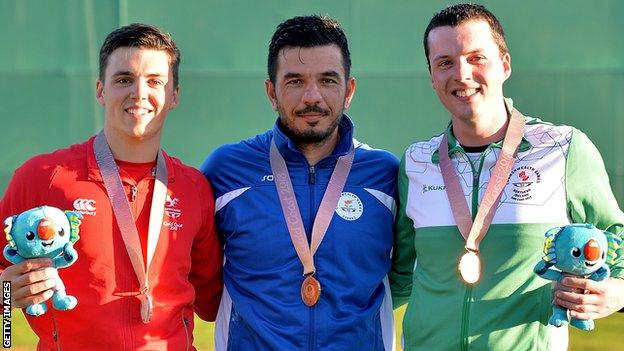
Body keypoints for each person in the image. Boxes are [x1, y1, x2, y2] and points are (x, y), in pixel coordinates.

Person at [389, 4, 624, 351]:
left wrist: (617, 292)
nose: (462, 74)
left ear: (505, 64)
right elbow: (399, 275)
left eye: (476, 58)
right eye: (445, 63)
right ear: (432, 76)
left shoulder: (563, 148)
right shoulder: (416, 162)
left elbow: (618, 236)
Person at [0, 23, 223, 350]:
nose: (139, 93)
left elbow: (212, 302)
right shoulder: (44, 176)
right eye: (123, 79)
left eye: (155, 82)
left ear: (173, 95)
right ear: (101, 90)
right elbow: (4, 299)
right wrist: (6, 299)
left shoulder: (193, 189)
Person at [201, 15, 398, 351]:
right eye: (294, 82)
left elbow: (404, 276)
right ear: (271, 92)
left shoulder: (385, 174)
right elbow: (198, 275)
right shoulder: (226, 170)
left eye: (328, 80)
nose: (312, 97)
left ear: (348, 90)